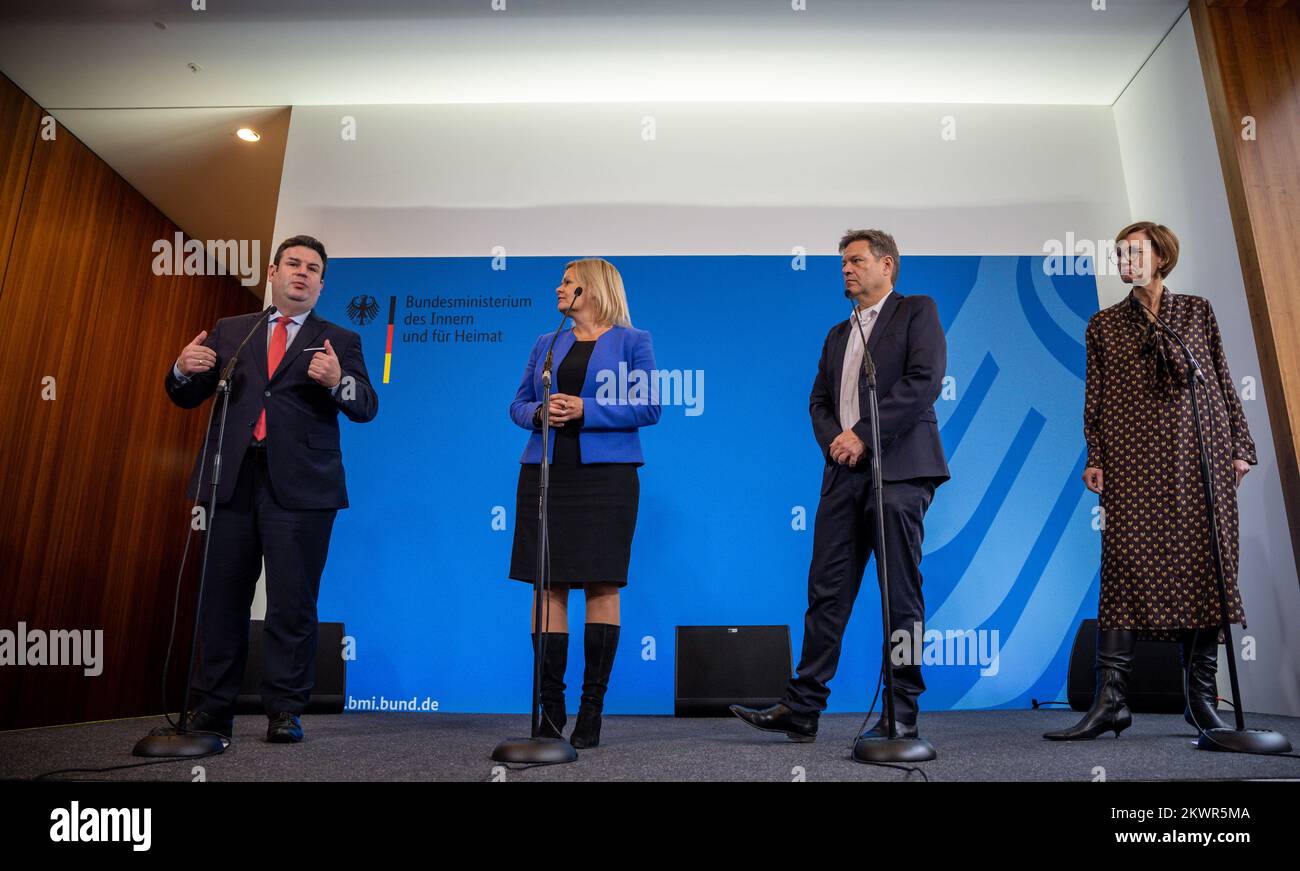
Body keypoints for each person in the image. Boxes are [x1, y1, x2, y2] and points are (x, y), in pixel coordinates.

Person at [731, 228, 949, 743]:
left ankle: (903, 709)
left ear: (887, 265)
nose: (846, 270)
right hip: (843, 475)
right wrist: (840, 442)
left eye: (856, 261)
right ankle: (803, 706)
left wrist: (866, 437)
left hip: (899, 472)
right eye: (842, 264)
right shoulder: (837, 334)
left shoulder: (917, 310)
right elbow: (818, 404)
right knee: (826, 592)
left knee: (901, 596)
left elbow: (925, 380)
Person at [1045, 221, 1255, 741]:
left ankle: (1201, 701)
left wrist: (1241, 447)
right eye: (1120, 255)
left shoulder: (1195, 311)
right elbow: (1095, 398)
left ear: (1161, 257)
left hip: (1197, 455)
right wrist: (1095, 455)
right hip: (1135, 461)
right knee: (1123, 570)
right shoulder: (1104, 325)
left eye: (1135, 252)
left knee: (1203, 568)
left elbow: (1222, 377)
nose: (1125, 261)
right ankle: (1110, 701)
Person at [166, 234, 378, 744]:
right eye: (293, 264)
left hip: (303, 489)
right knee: (221, 598)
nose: (302, 273)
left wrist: (335, 381)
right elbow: (189, 394)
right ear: (273, 272)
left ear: (322, 285)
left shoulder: (340, 340)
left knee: (292, 600)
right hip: (232, 480)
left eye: (313, 269)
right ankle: (211, 708)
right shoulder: (232, 330)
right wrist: (181, 369)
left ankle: (284, 709)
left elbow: (366, 405)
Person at [507, 258, 660, 748]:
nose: (559, 288)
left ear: (590, 290)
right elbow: (516, 404)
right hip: (547, 472)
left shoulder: (634, 341)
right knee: (546, 583)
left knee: (601, 583)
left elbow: (649, 406)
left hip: (607, 478)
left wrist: (584, 409)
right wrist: (539, 412)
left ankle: (591, 710)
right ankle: (551, 709)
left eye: (567, 282)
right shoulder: (545, 343)